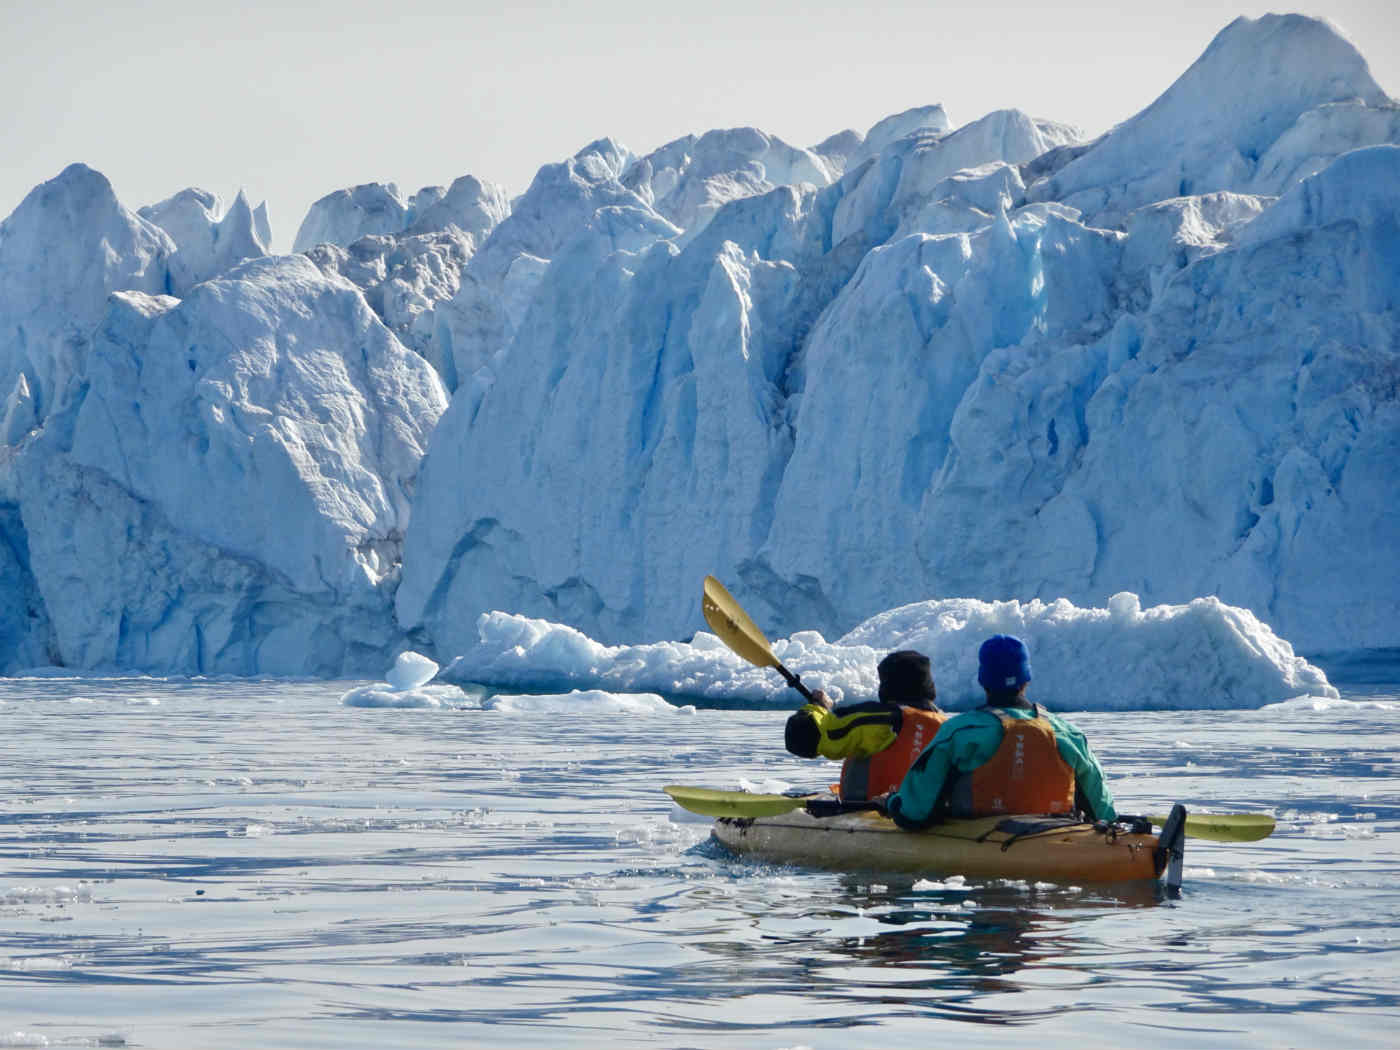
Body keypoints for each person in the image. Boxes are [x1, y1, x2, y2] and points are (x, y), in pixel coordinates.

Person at [884, 635, 1117, 829]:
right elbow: (1104, 813)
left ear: (983, 680)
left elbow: (914, 813)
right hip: (1056, 836)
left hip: (975, 840)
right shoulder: (1067, 733)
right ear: (1026, 678)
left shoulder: (958, 731)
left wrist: (891, 803)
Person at [784, 650, 947, 801]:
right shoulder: (947, 726)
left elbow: (802, 736)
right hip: (926, 821)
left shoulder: (883, 720)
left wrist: (818, 708)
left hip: (868, 816)